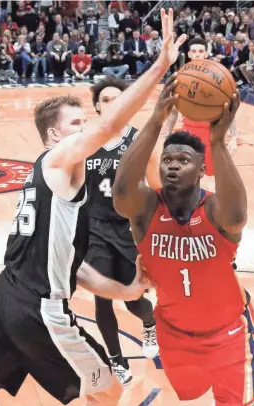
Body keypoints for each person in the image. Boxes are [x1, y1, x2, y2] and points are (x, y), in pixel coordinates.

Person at [0, 9, 186, 406]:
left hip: (5, 298)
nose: (86, 129)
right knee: (110, 392)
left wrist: (126, 289)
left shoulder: (48, 180)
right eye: (77, 124)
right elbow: (111, 126)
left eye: (84, 122)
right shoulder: (60, 162)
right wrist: (159, 67)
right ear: (53, 136)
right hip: (40, 311)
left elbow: (73, 269)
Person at [112, 76, 254, 406]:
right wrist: (155, 121)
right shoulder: (147, 208)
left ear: (200, 169)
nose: (171, 166)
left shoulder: (214, 209)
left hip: (230, 333)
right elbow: (122, 193)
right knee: (192, 399)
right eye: (168, 160)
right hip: (174, 334)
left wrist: (219, 142)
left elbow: (237, 216)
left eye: (183, 160)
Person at [85, 76, 161, 386]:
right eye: (105, 99)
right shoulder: (84, 140)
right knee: (102, 297)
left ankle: (150, 321)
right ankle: (116, 360)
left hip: (128, 228)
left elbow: (156, 186)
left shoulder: (138, 140)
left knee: (133, 301)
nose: (112, 103)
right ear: (96, 107)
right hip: (93, 229)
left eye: (118, 98)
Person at [165, 38, 237, 192]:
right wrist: (167, 133)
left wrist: (234, 137)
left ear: (206, 53)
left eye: (201, 51)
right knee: (188, 176)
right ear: (189, 54)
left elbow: (229, 110)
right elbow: (173, 111)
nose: (197, 54)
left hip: (211, 133)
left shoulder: (217, 76)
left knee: (211, 179)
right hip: (189, 133)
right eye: (194, 51)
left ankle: (212, 212)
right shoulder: (181, 77)